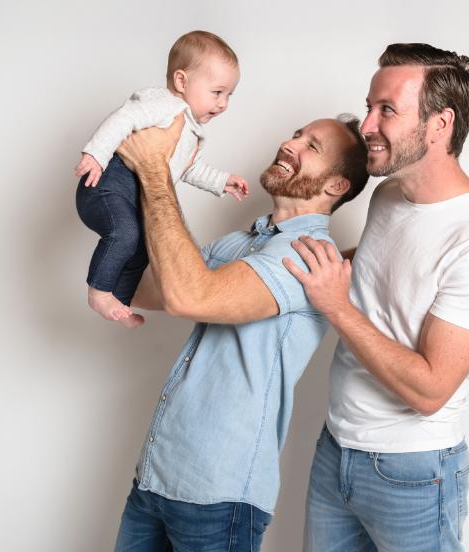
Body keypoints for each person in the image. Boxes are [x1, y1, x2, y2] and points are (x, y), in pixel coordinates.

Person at [284, 43, 469, 551]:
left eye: (387, 110)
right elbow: (378, 272)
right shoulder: (388, 194)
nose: (367, 125)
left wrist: (336, 306)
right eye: (369, 106)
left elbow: (430, 390)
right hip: (335, 448)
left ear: (440, 124)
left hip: (413, 474)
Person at [111, 112, 369, 551]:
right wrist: (121, 187)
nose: (290, 144)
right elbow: (143, 287)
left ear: (335, 185)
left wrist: (154, 170)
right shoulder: (242, 242)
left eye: (311, 146)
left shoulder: (309, 257)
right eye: (296, 134)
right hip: (156, 477)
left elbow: (190, 296)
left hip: (218, 498)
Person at [74, 30, 249, 328]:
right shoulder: (164, 104)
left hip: (131, 199)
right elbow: (124, 119)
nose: (223, 104)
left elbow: (187, 168)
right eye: (217, 92)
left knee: (144, 247)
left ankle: (121, 300)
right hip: (106, 186)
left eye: (229, 95)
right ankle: (98, 291)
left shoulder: (190, 130)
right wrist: (96, 154)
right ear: (181, 81)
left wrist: (221, 181)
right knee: (126, 234)